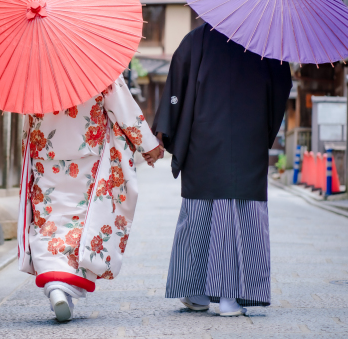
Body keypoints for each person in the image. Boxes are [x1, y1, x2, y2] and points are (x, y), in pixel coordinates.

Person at [151, 23, 291, 316]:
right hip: (247, 140)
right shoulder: (268, 43)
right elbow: (280, 91)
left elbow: (176, 85)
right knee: (243, 214)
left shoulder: (196, 39)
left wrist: (166, 130)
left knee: (200, 213)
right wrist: (264, 130)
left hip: (204, 137)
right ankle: (232, 296)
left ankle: (197, 292)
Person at [17, 75, 164, 322]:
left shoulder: (35, 67)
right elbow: (124, 109)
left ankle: (56, 285)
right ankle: (65, 287)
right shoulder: (96, 64)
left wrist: (27, 152)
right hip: (87, 151)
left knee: (48, 220)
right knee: (83, 221)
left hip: (45, 152)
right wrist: (149, 146)